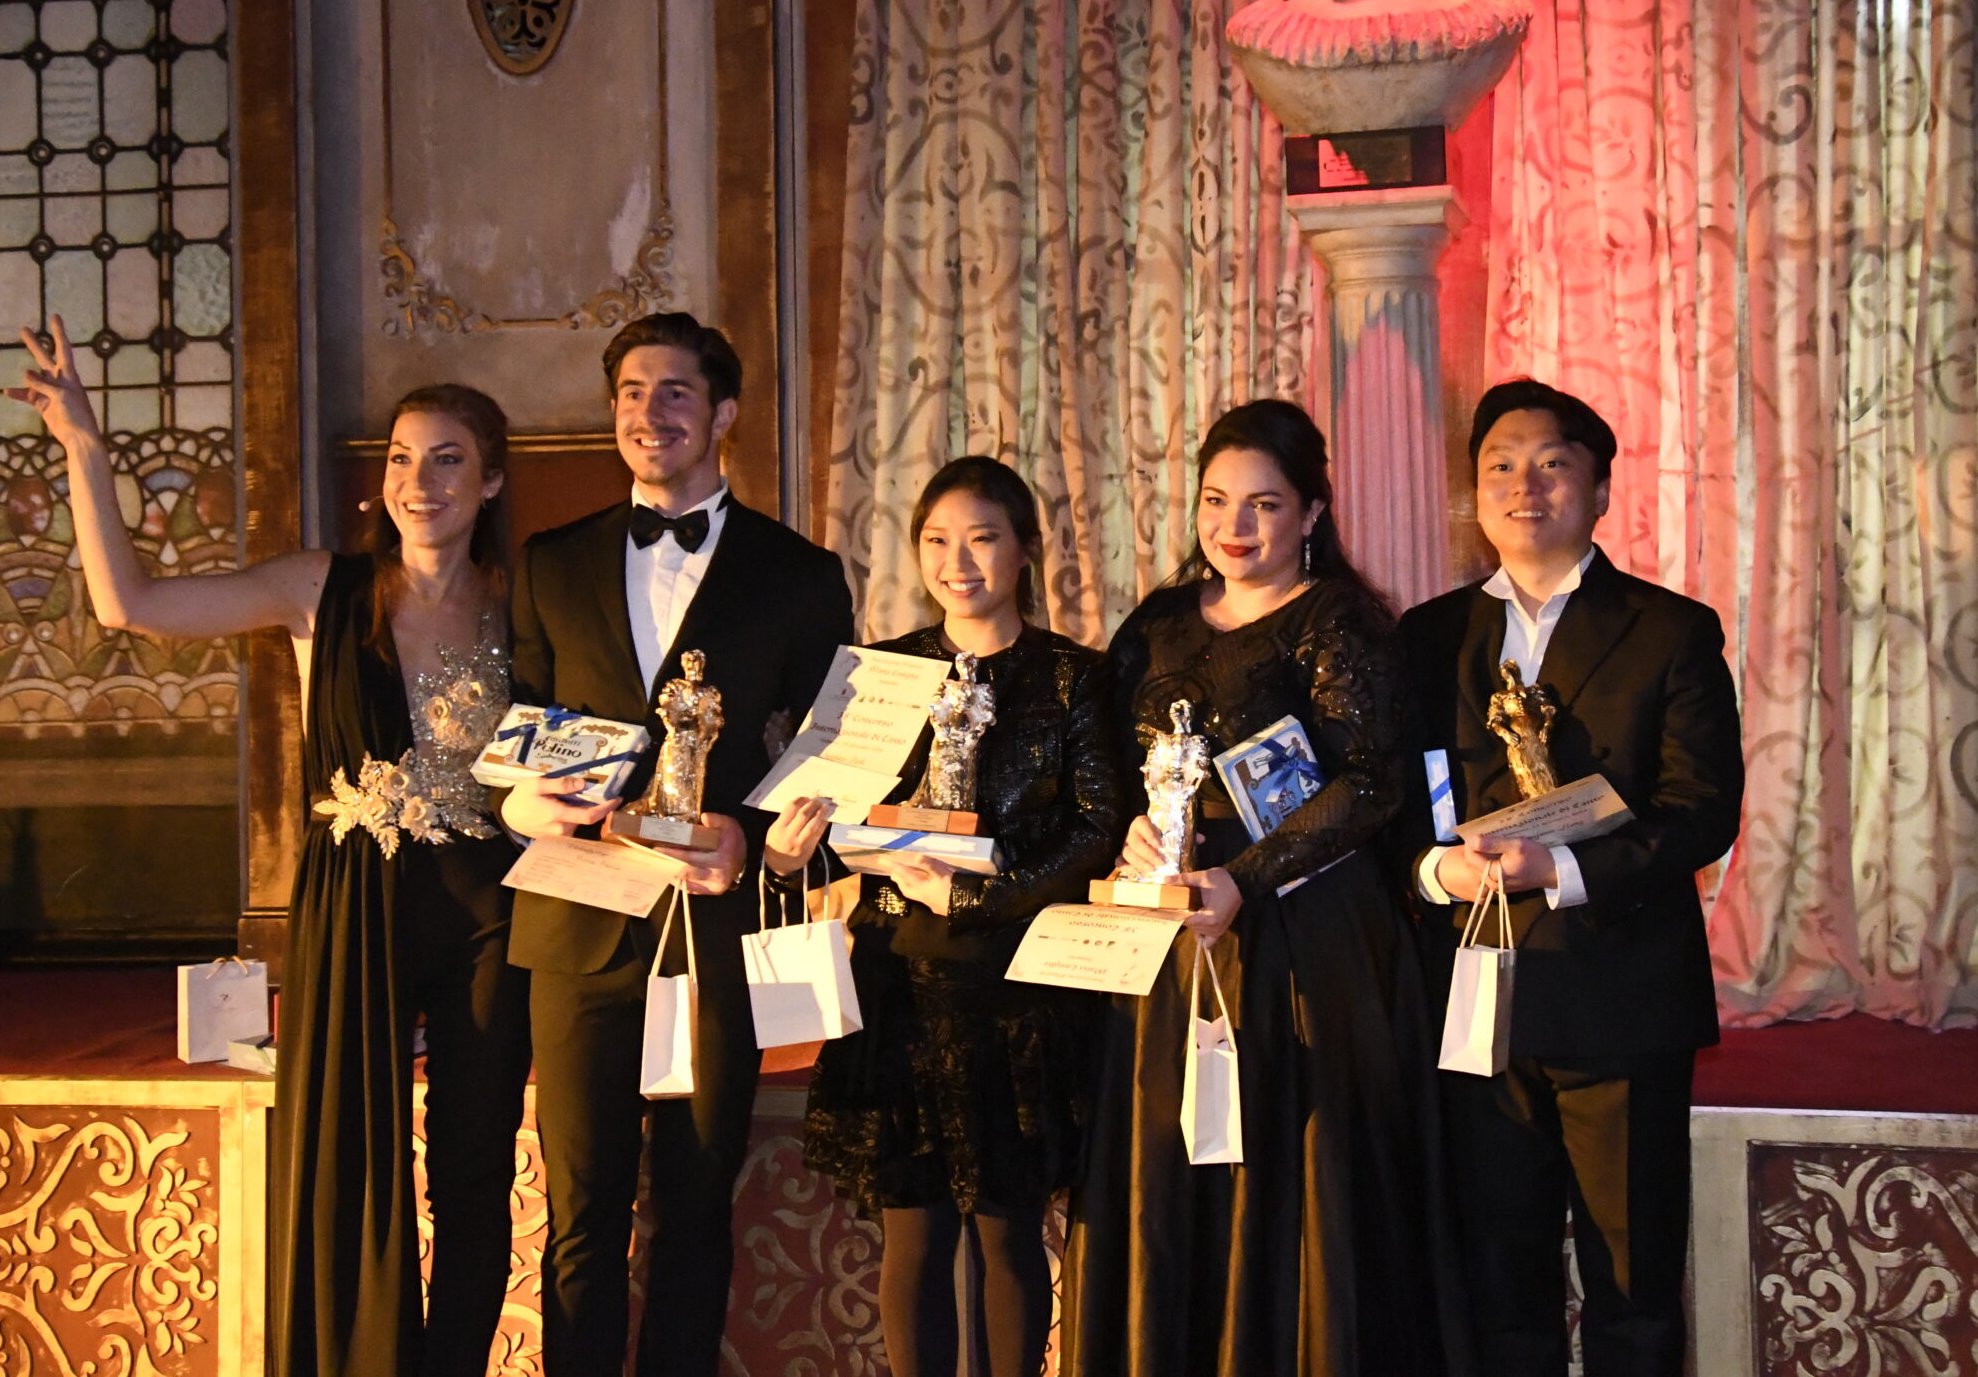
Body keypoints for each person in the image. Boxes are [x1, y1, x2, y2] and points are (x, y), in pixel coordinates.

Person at [7, 319, 531, 1377]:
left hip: (488, 909)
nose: (418, 482)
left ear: (489, 481)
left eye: (446, 461)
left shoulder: (525, 607)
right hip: (354, 904)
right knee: (346, 1167)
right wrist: (85, 450)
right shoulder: (318, 588)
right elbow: (129, 605)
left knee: (475, 1175)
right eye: (401, 458)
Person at [1059, 400, 1470, 1377]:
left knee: (1297, 1175)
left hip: (1308, 943)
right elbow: (1113, 768)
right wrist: (1130, 835)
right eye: (1216, 501)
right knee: (1172, 1171)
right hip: (1174, 937)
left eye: (1264, 504)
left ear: (1312, 513)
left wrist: (1243, 877)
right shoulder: (1158, 623)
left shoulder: (1339, 623)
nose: (1233, 526)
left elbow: (1372, 784)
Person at [495, 313, 853, 1377]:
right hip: (577, 923)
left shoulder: (800, 573)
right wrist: (520, 806)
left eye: (675, 392)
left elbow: (835, 754)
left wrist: (754, 838)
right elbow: (518, 730)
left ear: (724, 413)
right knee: (581, 1212)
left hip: (715, 928)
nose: (649, 414)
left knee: (698, 1208)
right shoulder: (549, 561)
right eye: (631, 393)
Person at [1396, 380, 1743, 1377]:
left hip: (1619, 997)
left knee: (1631, 1283)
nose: (1525, 486)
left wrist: (1564, 866)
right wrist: (1434, 869)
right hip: (1477, 1001)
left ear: (1599, 488)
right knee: (1499, 1281)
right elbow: (1397, 800)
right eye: (1500, 465)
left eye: (1552, 464)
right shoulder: (1426, 637)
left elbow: (1700, 811)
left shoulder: (1669, 630)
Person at [768, 456, 1122, 1377]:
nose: (956, 562)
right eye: (935, 540)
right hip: (897, 980)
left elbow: (1097, 829)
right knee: (912, 1232)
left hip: (1018, 987)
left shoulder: (1074, 676)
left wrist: (978, 894)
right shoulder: (879, 673)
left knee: (1009, 1234)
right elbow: (833, 805)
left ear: (1026, 550)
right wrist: (795, 848)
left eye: (981, 538)